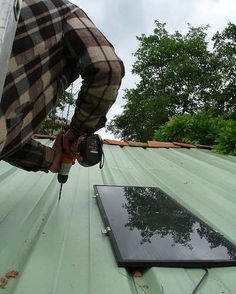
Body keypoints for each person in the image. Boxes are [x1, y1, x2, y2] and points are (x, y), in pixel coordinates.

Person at [0, 0, 124, 173]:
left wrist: (52, 159)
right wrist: (75, 132)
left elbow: (7, 137)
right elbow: (107, 69)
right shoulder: (62, 8)